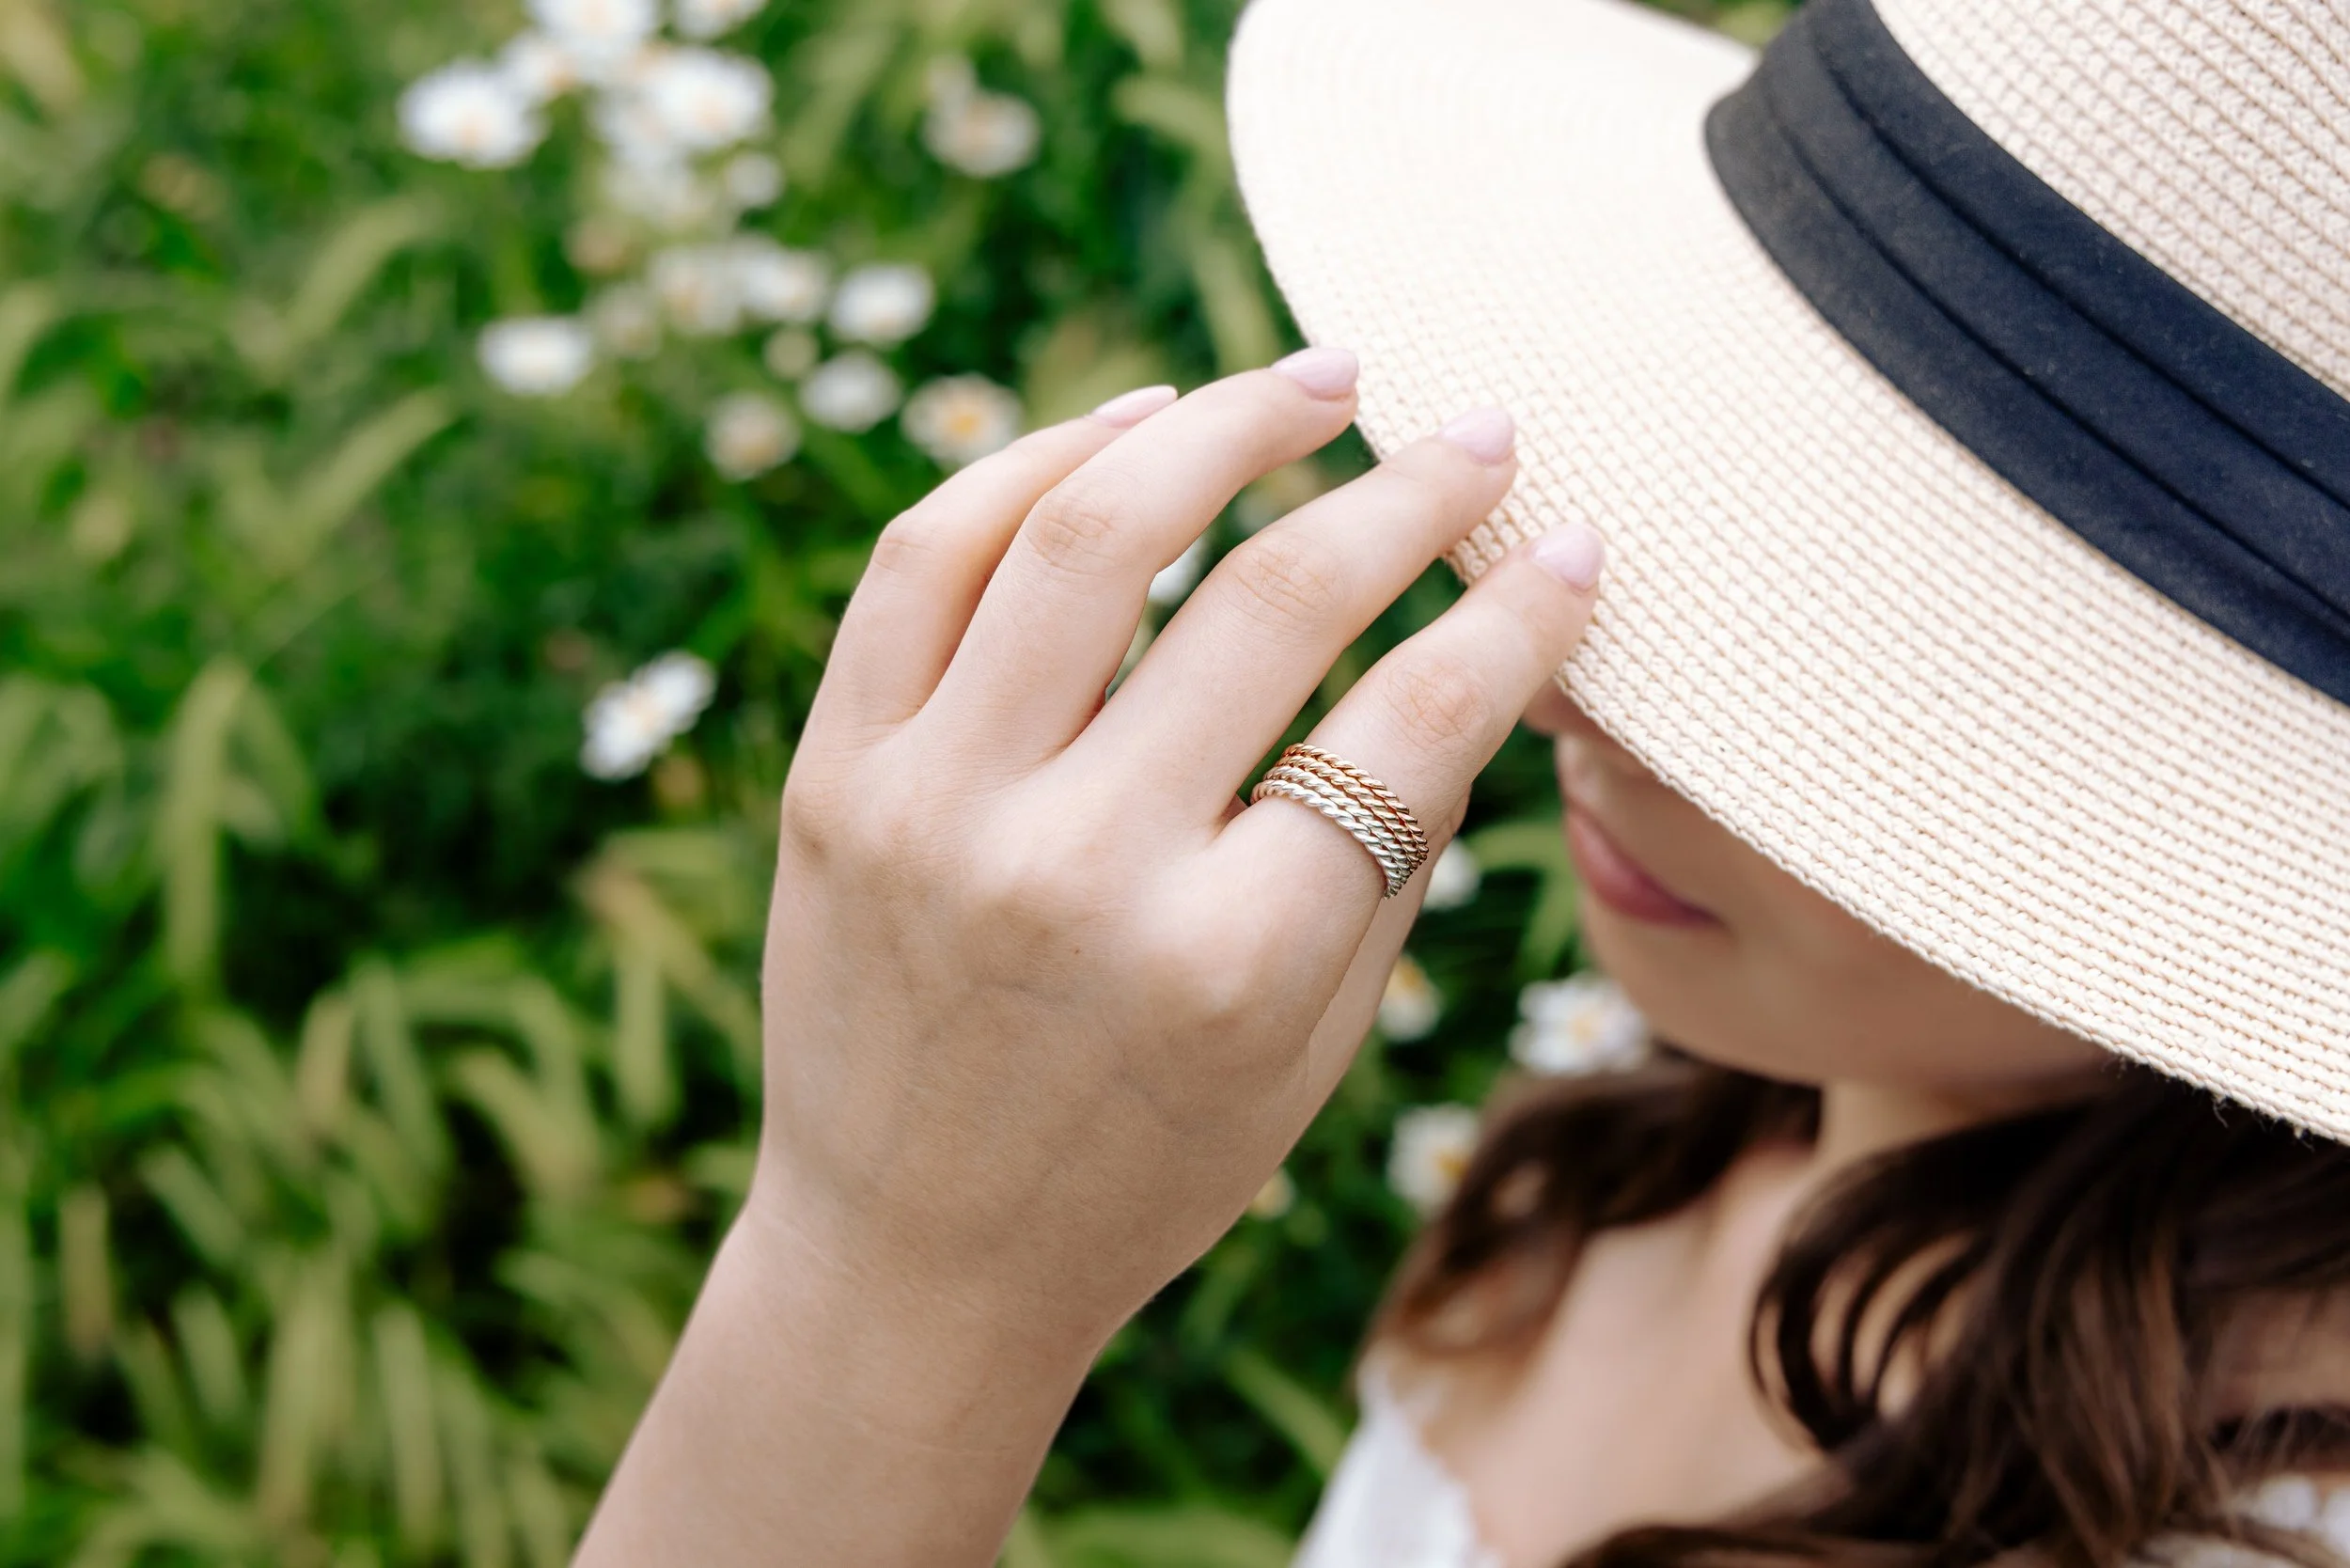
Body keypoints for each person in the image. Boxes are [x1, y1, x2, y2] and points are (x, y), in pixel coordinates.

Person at [573, 0, 2350, 1560]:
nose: (1570, 709)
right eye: (1707, 542)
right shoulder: (1681, 1133)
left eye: (1869, 688)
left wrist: (901, 1277)